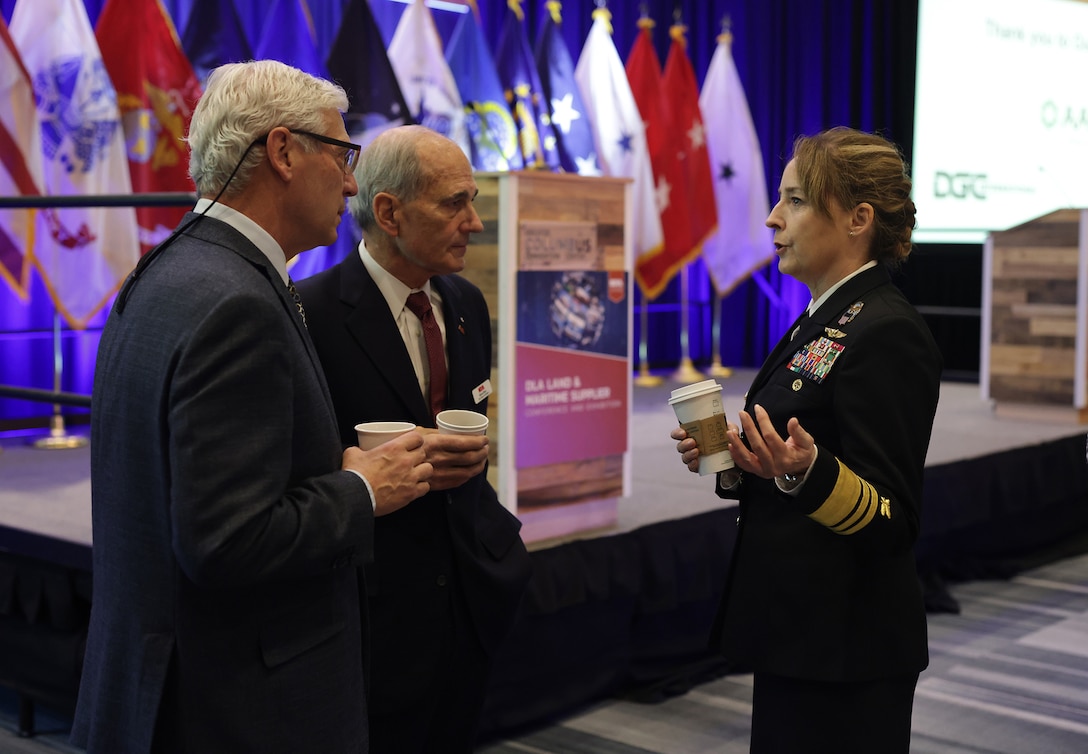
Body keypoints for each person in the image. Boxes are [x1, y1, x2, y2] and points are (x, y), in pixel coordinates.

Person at [70, 61, 434, 754]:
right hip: (239, 708)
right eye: (342, 152)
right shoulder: (236, 301)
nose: (353, 182)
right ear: (283, 152)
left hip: (163, 687)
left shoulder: (169, 267)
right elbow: (226, 539)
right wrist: (363, 488)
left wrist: (329, 467)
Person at [671, 126, 942, 753]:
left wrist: (803, 473)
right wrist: (745, 461)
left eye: (794, 200)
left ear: (858, 218)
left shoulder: (886, 330)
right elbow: (802, 444)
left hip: (849, 648)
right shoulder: (829, 315)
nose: (772, 218)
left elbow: (893, 516)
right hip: (802, 632)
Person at [296, 125, 533, 754]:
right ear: (388, 212)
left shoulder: (464, 302)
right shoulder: (308, 314)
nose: (475, 223)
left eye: (473, 201)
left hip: (468, 599)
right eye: (454, 203)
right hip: (374, 617)